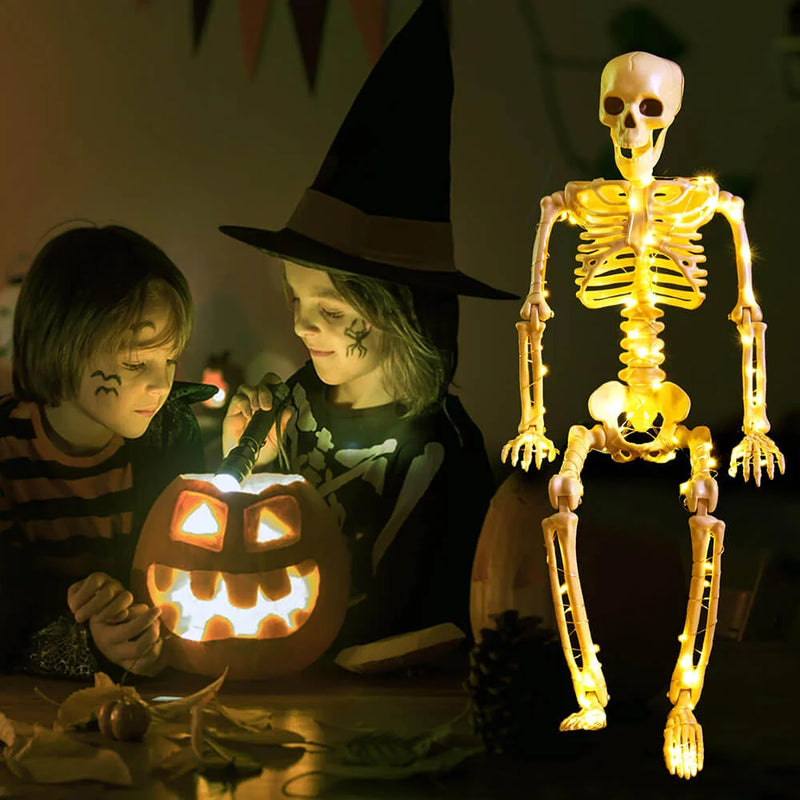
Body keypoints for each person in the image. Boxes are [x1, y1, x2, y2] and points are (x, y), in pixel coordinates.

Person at [219, 0, 516, 649]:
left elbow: (425, 609)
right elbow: (242, 559)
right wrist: (247, 466)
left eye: (330, 312)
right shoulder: (289, 408)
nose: (301, 327)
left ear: (403, 316)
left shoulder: (443, 455)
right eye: (295, 302)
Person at [0, 224, 214, 679]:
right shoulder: (4, 445)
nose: (161, 385)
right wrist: (86, 639)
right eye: (136, 362)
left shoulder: (170, 434)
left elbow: (193, 569)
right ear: (60, 345)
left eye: (171, 358)